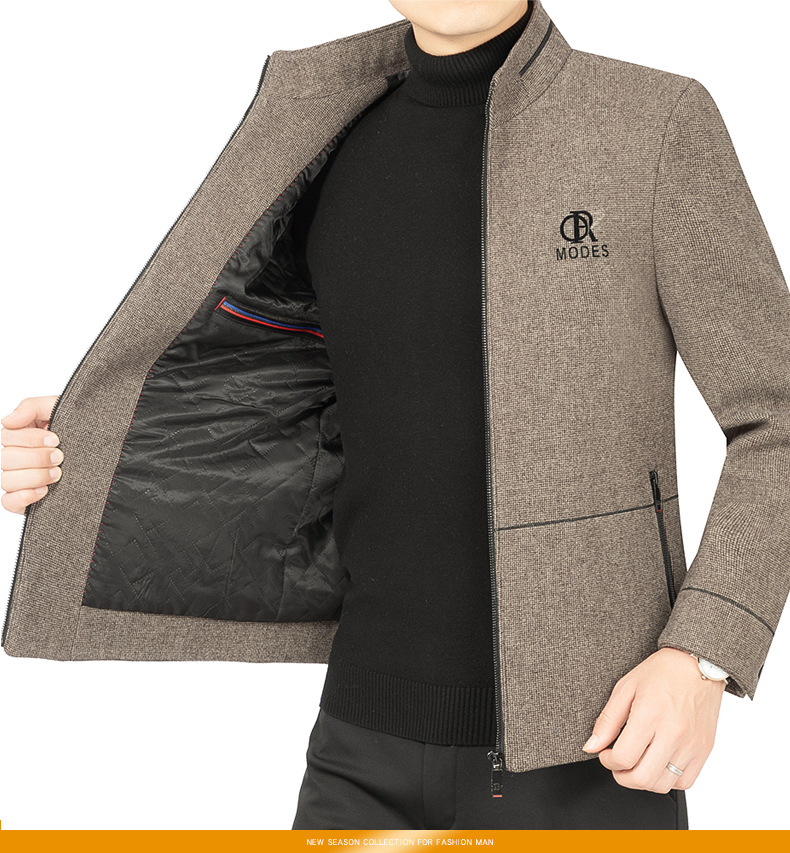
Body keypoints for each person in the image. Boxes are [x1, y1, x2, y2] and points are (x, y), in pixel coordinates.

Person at [1, 0, 788, 832]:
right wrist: (97, 441)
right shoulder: (323, 127)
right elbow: (310, 395)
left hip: (592, 750)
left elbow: (775, 415)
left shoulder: (651, 123)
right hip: (357, 750)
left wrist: (702, 653)